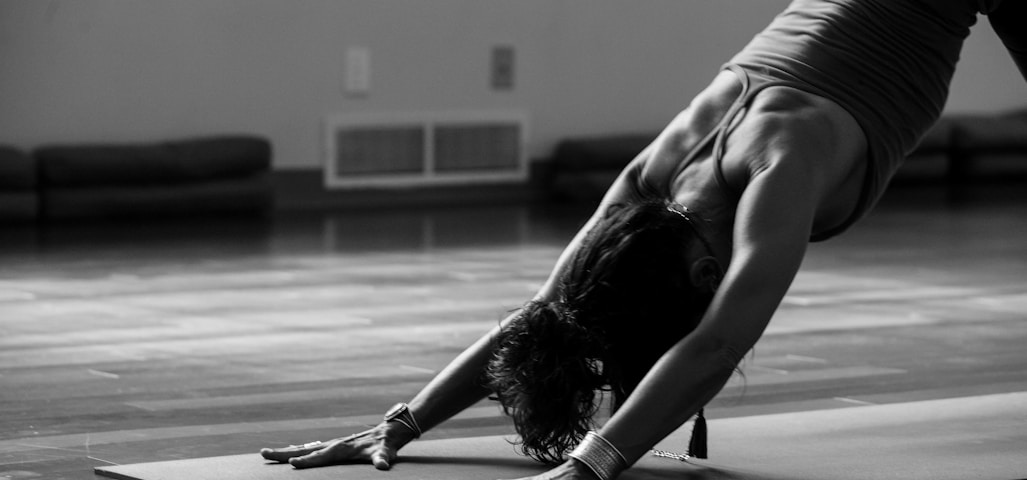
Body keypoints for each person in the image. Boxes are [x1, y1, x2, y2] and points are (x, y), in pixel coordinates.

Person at [261, 1, 1026, 479]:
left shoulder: (780, 165)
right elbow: (544, 314)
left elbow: (715, 346)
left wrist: (592, 465)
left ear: (701, 272)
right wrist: (403, 422)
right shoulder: (647, 186)